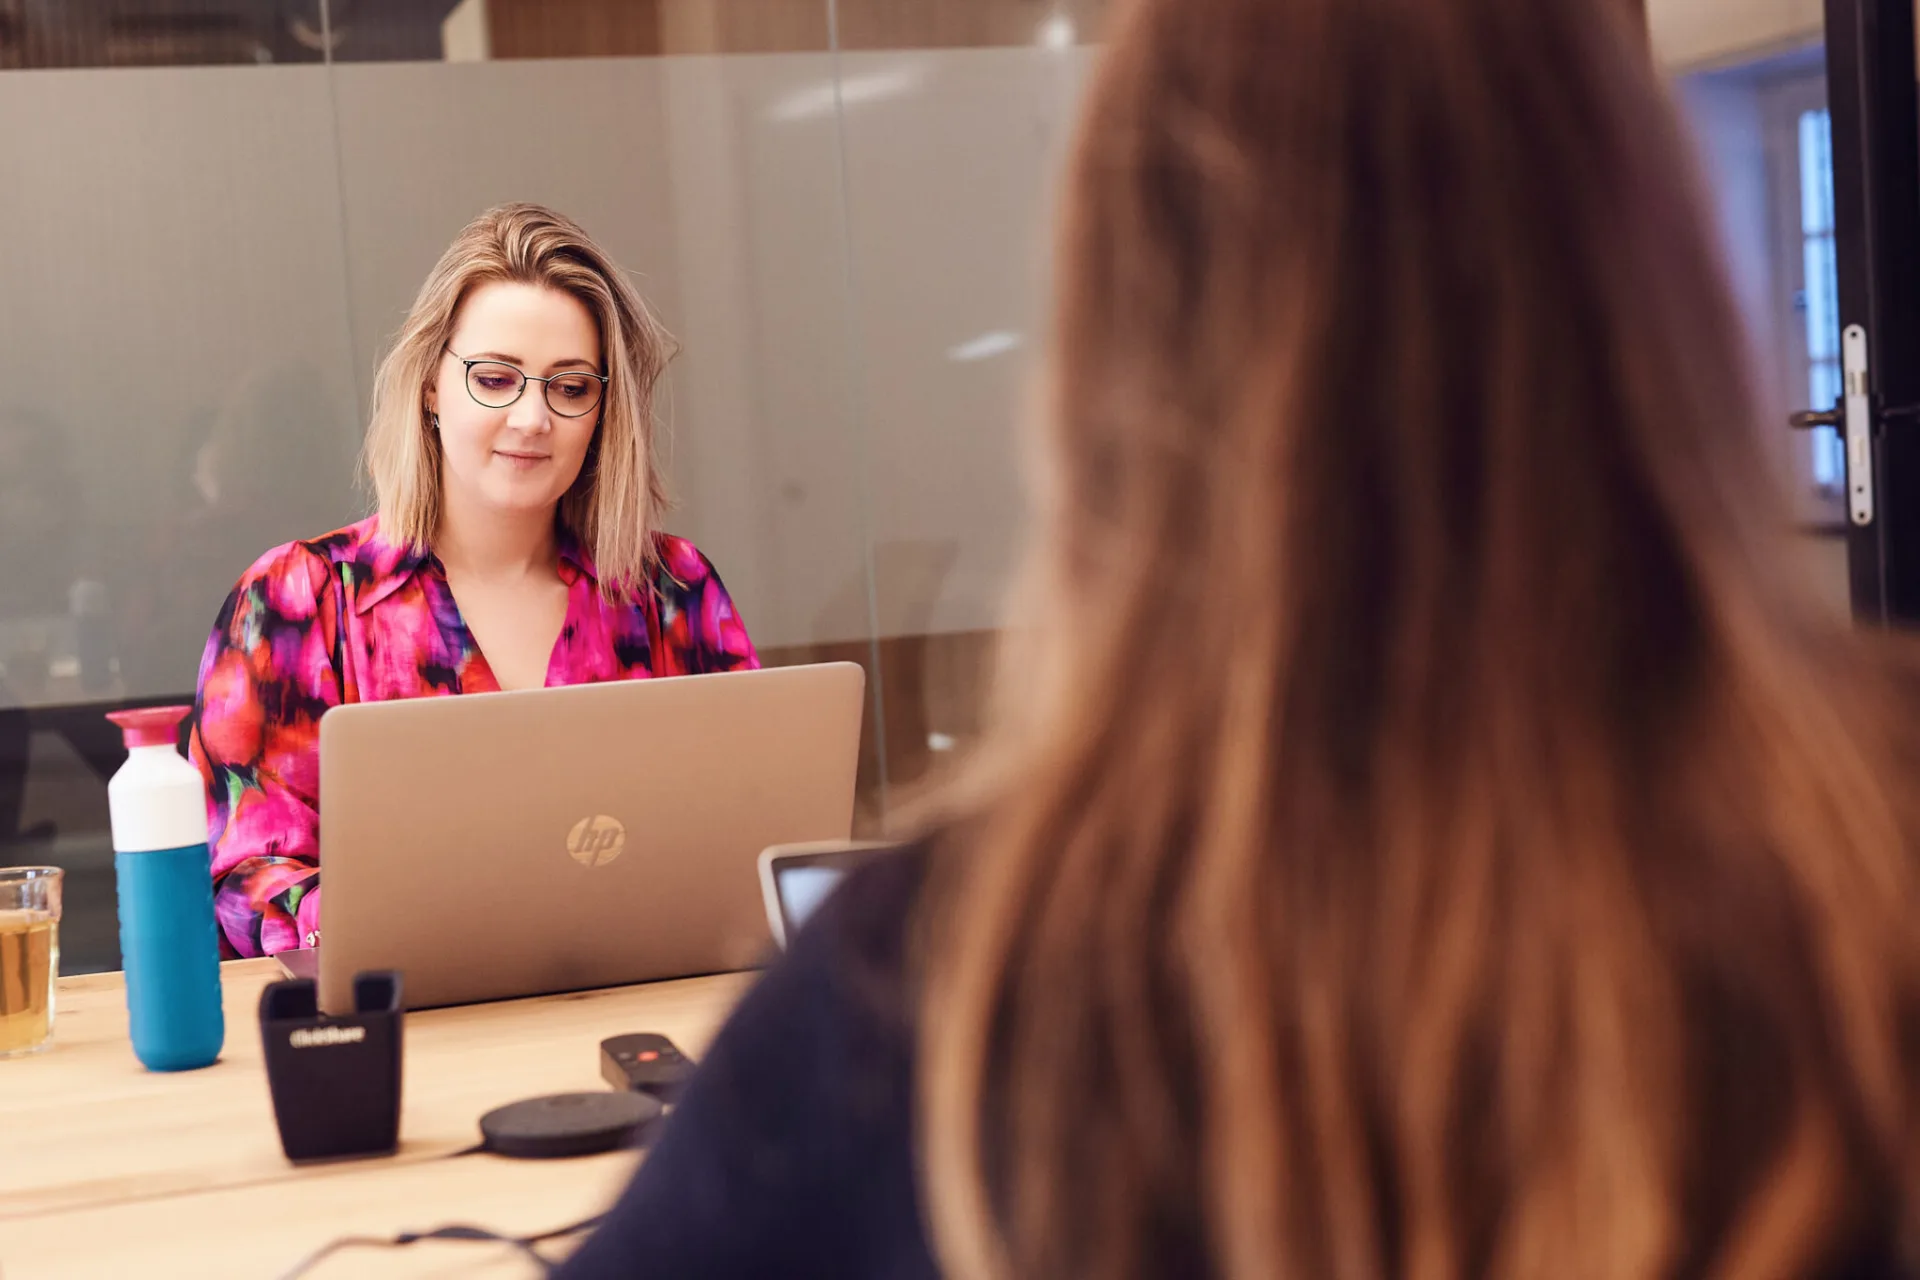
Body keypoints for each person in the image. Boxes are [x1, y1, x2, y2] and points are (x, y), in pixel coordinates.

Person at [555, 0, 1920, 1276]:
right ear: (1669, 282)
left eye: (567, 385)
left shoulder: (937, 994)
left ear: (1114, 378)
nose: (536, 416)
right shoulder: (1876, 849)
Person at [190, 204, 757, 959]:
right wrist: (407, 920)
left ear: (602, 410)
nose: (531, 418)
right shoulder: (297, 600)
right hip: (411, 1030)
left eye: (571, 387)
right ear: (431, 384)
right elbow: (241, 876)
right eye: (494, 378)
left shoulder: (672, 592)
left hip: (641, 999)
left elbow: (753, 830)